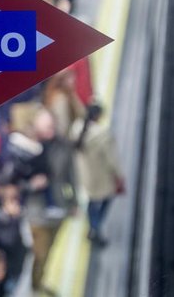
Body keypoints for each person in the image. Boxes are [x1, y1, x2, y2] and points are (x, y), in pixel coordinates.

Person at [7, 108, 76, 295]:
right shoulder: (24, 150)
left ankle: (38, 281)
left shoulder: (62, 145)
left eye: (51, 126)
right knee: (39, 252)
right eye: (46, 126)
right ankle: (32, 286)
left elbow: (70, 174)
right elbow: (11, 184)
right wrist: (31, 185)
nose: (50, 130)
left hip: (59, 207)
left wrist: (73, 201)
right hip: (36, 211)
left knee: (49, 251)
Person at [72, 103, 125, 246]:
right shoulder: (102, 134)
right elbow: (112, 159)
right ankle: (95, 227)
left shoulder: (76, 128)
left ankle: (93, 227)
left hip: (86, 175)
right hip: (102, 176)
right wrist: (119, 175)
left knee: (91, 201)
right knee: (107, 198)